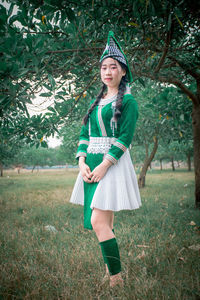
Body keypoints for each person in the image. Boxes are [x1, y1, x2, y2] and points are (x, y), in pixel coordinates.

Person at [70, 31, 141, 288]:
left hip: (111, 165)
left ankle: (116, 279)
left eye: (113, 67)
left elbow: (124, 138)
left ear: (123, 71)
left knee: (98, 221)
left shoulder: (129, 101)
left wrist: (103, 165)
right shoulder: (96, 101)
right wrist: (82, 163)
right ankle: (111, 270)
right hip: (90, 165)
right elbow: (84, 134)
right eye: (103, 67)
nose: (108, 71)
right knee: (106, 222)